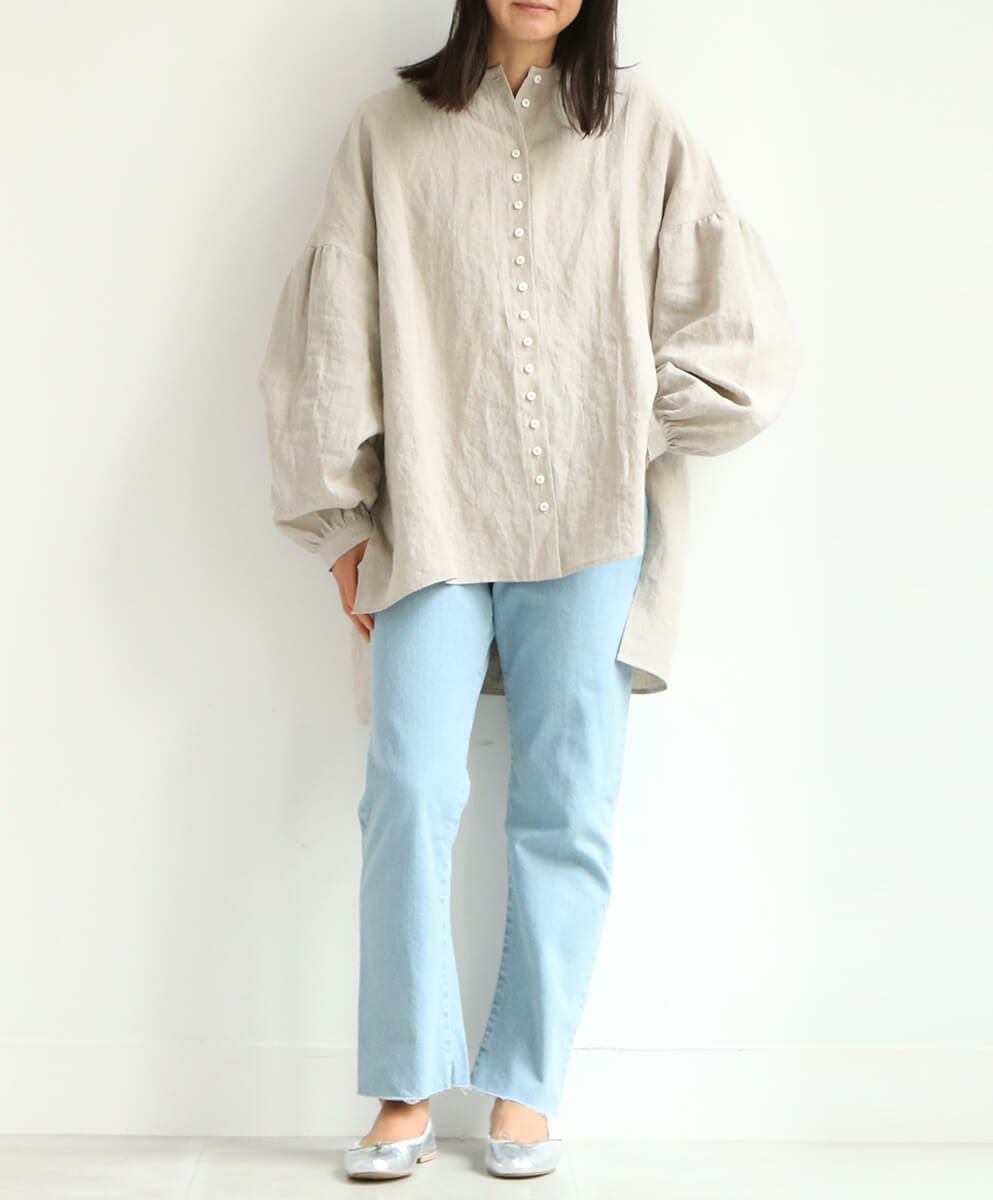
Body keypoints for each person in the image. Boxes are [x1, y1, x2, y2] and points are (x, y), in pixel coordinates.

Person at [258, 0, 801, 1182]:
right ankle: (404, 1088)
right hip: (432, 513)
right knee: (408, 789)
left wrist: (632, 420)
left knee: (567, 804)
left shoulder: (643, 127)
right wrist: (341, 519)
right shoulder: (386, 131)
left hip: (593, 520)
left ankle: (524, 1091)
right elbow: (337, 326)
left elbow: (737, 328)